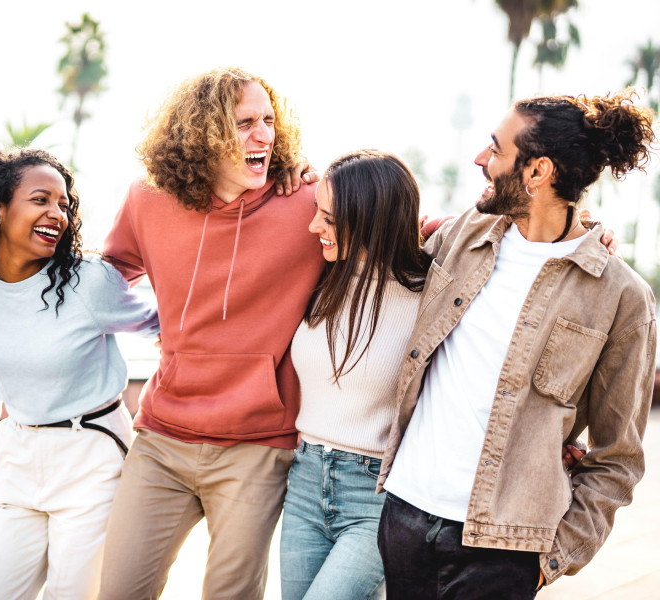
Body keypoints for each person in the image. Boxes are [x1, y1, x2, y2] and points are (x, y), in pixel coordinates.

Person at [377, 90, 657, 599]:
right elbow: (370, 248)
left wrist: (550, 560)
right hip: (405, 517)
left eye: (495, 149)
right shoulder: (461, 236)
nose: (481, 159)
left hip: (504, 552)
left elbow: (618, 458)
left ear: (537, 172)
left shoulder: (623, 298)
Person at [98, 67, 324, 600]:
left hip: (256, 445)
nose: (264, 136)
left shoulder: (309, 203)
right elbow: (104, 282)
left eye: (269, 121)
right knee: (119, 590)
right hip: (161, 437)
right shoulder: (147, 200)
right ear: (203, 133)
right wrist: (159, 327)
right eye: (245, 123)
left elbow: (405, 228)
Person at [0, 148, 160, 600]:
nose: (57, 213)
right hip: (18, 457)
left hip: (92, 456)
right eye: (41, 200)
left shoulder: (87, 282)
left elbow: (170, 325)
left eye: (63, 204)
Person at [279, 150, 429, 600]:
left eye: (328, 217)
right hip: (304, 480)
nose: (313, 227)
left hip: (376, 494)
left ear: (369, 219)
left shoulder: (432, 296)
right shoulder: (323, 278)